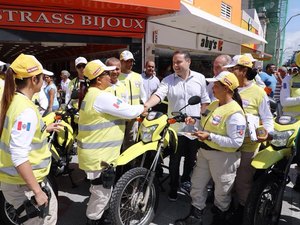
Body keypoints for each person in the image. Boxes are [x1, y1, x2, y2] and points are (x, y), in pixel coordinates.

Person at [76, 60, 145, 225]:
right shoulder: (101, 96)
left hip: (96, 153)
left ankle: (101, 216)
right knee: (101, 191)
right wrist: (144, 107)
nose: (111, 76)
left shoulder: (92, 94)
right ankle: (93, 220)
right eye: (106, 73)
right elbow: (129, 110)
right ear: (99, 79)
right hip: (99, 155)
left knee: (101, 189)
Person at [174, 71, 246, 225]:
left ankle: (219, 220)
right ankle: (195, 218)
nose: (212, 87)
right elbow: (204, 123)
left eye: (216, 85)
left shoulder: (235, 113)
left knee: (222, 192)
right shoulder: (214, 104)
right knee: (196, 186)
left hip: (224, 158)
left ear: (227, 88)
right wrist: (194, 122)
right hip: (204, 152)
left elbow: (236, 142)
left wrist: (210, 136)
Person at [0, 53, 62, 225]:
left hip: (17, 181)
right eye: (43, 77)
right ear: (34, 79)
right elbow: (19, 155)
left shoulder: (13, 99)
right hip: (24, 184)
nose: (44, 80)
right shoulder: (25, 110)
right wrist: (38, 191)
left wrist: (44, 127)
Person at [144, 50, 211, 201]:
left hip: (194, 129)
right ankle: (173, 187)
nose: (175, 65)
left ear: (188, 62)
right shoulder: (168, 80)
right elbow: (159, 95)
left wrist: (199, 118)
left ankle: (186, 181)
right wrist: (146, 105)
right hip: (175, 130)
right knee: (174, 161)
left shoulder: (199, 78)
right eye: (173, 62)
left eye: (179, 62)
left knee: (190, 159)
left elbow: (205, 101)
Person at [224, 55, 274, 223]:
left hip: (248, 144)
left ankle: (244, 212)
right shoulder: (230, 89)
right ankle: (228, 208)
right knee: (227, 178)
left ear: (244, 70)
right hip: (228, 142)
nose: (230, 71)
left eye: (233, 69)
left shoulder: (258, 92)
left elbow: (267, 118)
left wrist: (266, 132)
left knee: (243, 181)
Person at [119, 50, 147, 150]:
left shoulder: (138, 76)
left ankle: (129, 165)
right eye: (126, 61)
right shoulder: (116, 77)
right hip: (120, 115)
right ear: (121, 62)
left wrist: (145, 108)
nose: (129, 64)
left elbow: (143, 96)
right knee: (118, 141)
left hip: (134, 116)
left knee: (131, 141)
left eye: (131, 61)